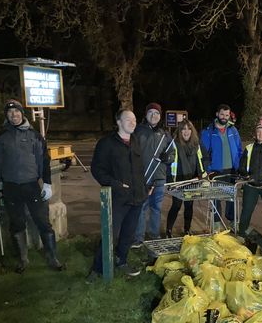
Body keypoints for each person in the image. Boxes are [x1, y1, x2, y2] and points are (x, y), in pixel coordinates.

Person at [0, 99, 64, 273]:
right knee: (17, 224)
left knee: (43, 222)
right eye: (10, 112)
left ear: (22, 113)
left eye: (17, 112)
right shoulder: (1, 138)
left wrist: (48, 184)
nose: (14, 115)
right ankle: (23, 259)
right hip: (11, 187)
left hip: (31, 186)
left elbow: (44, 161)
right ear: (7, 116)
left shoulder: (35, 135)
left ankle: (52, 257)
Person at [88, 109, 147, 281]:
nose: (132, 122)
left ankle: (122, 261)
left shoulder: (135, 141)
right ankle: (98, 268)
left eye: (134, 120)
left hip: (137, 198)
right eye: (128, 119)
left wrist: (144, 187)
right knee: (110, 234)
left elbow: (139, 169)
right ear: (118, 122)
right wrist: (116, 185)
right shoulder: (107, 143)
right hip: (118, 197)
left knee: (128, 233)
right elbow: (97, 169)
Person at [133, 103, 175, 245]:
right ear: (146, 114)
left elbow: (172, 153)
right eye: (150, 112)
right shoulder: (138, 131)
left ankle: (154, 234)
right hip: (144, 177)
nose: (153, 115)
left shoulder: (164, 134)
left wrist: (167, 158)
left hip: (159, 178)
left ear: (160, 116)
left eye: (156, 113)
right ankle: (138, 237)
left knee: (156, 208)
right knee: (141, 208)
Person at [200, 104, 243, 227]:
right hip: (216, 171)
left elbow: (239, 149)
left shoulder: (233, 130)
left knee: (231, 197)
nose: (224, 117)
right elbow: (203, 153)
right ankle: (217, 223)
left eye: (227, 115)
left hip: (231, 170)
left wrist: (239, 166)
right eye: (222, 114)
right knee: (216, 197)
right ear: (217, 114)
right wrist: (207, 170)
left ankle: (232, 221)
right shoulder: (208, 132)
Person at [165, 119, 207, 237]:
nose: (186, 131)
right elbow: (169, 161)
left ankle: (187, 230)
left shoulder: (196, 144)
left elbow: (199, 160)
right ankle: (168, 230)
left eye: (189, 128)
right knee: (176, 206)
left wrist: (203, 174)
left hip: (192, 180)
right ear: (180, 131)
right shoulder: (174, 143)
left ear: (192, 131)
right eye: (183, 129)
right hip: (178, 180)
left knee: (189, 206)